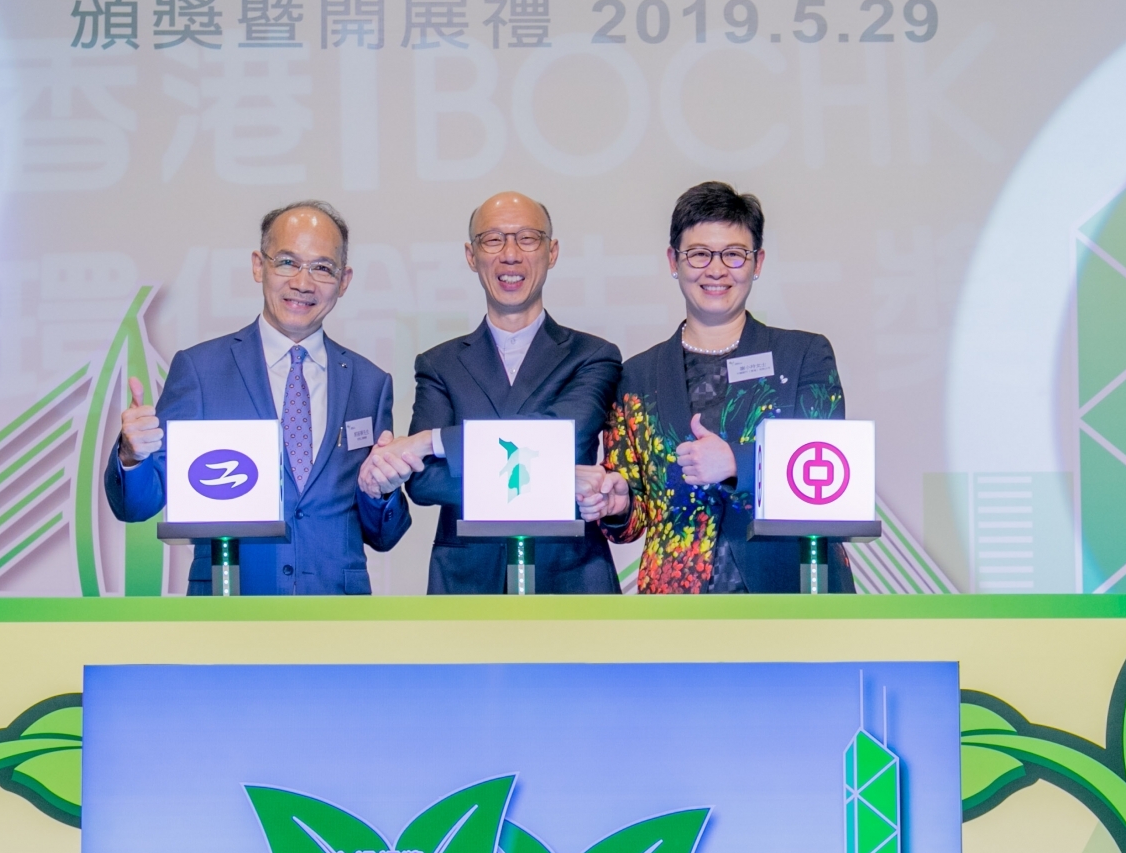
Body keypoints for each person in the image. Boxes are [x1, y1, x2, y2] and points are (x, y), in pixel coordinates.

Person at [105, 200, 409, 594]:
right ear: (257, 266)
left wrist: (382, 491)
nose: (303, 283)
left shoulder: (370, 384)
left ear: (344, 280)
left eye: (322, 268)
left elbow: (383, 535)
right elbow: (137, 506)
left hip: (336, 609)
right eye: (287, 262)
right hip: (230, 602)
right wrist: (132, 456)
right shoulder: (200, 370)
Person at [355, 192, 625, 594]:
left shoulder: (593, 356)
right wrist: (555, 479)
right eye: (493, 240)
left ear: (552, 252)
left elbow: (558, 436)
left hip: (570, 575)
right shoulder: (439, 363)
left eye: (527, 239)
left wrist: (431, 441)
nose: (510, 255)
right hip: (466, 581)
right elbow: (425, 482)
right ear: (471, 255)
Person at [600, 180, 853, 594]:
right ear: (673, 261)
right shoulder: (637, 376)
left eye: (734, 254)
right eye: (699, 254)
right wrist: (617, 505)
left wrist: (739, 462)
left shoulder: (803, 355)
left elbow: (830, 473)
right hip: (677, 601)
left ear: (757, 262)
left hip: (791, 590)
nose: (716, 270)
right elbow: (631, 521)